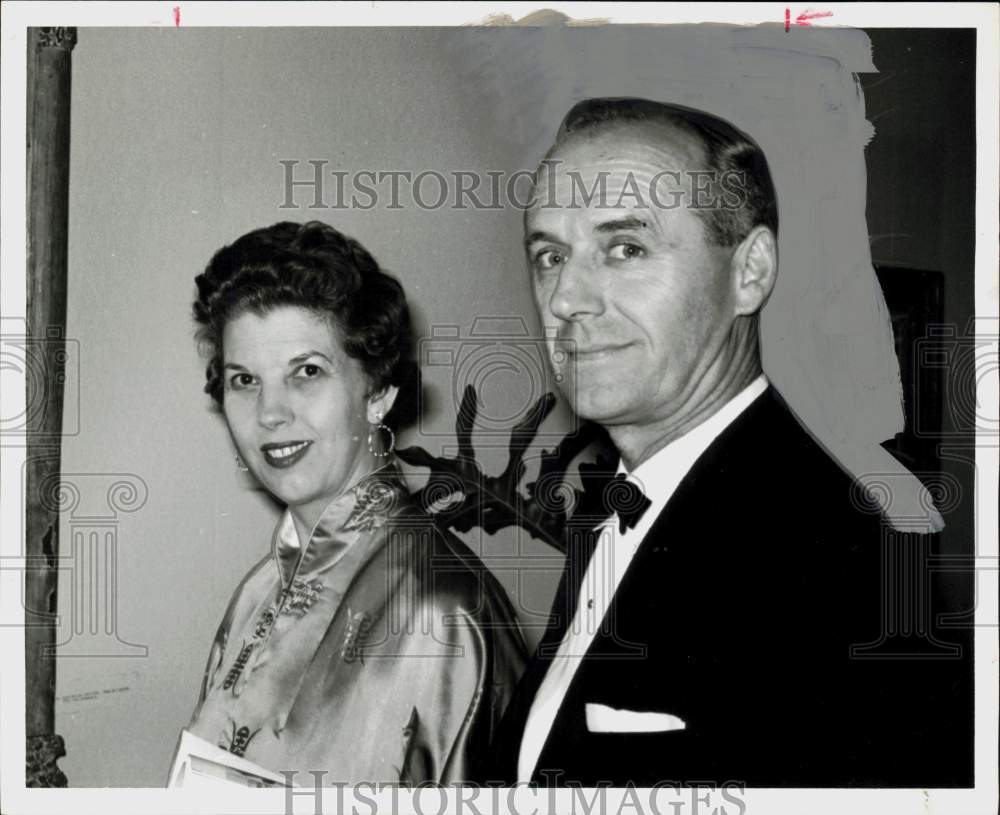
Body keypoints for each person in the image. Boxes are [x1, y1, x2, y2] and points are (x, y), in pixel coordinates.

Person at [492, 97, 965, 787]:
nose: (566, 297)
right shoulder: (621, 508)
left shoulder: (839, 566)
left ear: (750, 272)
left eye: (625, 247)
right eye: (549, 255)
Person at [175, 220, 525, 785]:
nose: (269, 413)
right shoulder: (257, 592)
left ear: (379, 392)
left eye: (307, 372)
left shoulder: (444, 613)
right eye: (244, 380)